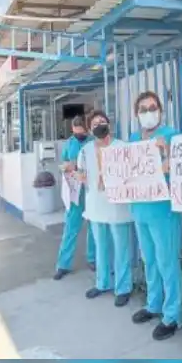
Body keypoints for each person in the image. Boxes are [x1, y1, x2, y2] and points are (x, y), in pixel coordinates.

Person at [127, 91, 182, 341]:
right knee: (149, 259)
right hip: (140, 208)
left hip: (164, 210)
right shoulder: (132, 139)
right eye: (143, 109)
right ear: (137, 115)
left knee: (167, 261)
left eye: (152, 108)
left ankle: (172, 315)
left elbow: (180, 167)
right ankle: (154, 304)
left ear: (160, 110)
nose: (148, 113)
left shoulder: (170, 135)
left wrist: (167, 152)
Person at [76, 110, 135, 307]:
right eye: (94, 124)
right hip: (95, 205)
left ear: (109, 124)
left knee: (121, 248)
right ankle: (102, 283)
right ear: (90, 130)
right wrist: (79, 176)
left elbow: (133, 172)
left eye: (102, 121)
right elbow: (81, 173)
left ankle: (123, 287)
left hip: (118, 206)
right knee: (101, 247)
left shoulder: (122, 147)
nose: (99, 125)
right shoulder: (85, 151)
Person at [54, 115, 97, 279]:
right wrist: (66, 166)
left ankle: (92, 259)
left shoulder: (92, 142)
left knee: (93, 227)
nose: (79, 135)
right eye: (76, 132)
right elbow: (62, 164)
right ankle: (63, 264)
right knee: (70, 228)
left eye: (82, 132)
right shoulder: (69, 144)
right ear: (72, 130)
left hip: (90, 190)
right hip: (74, 193)